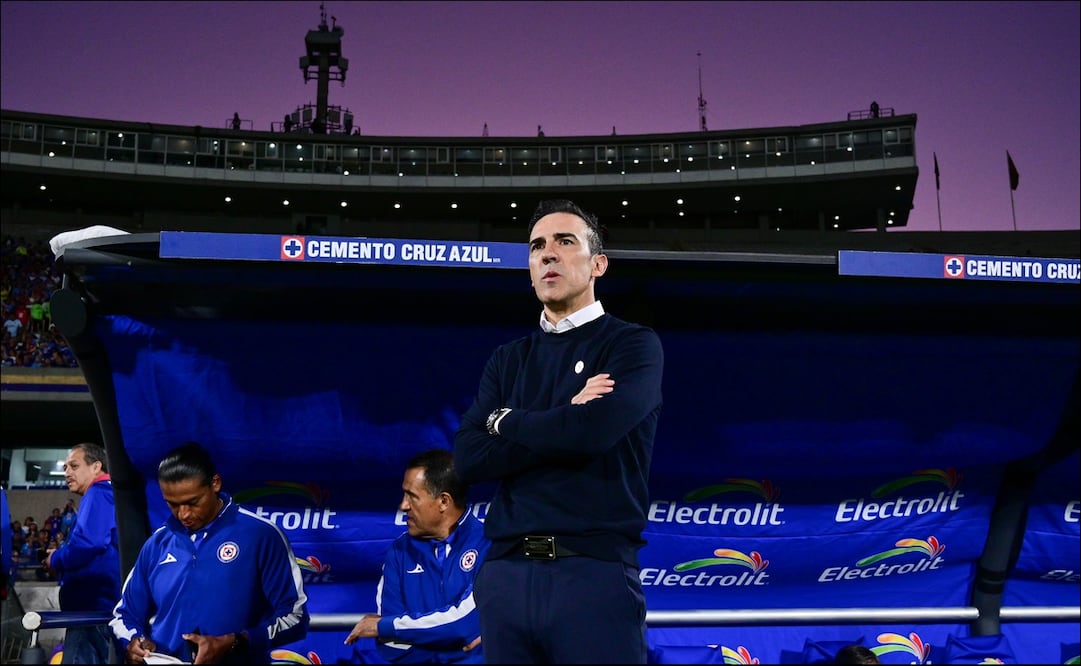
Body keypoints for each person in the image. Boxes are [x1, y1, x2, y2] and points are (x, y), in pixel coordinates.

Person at [452, 198, 664, 663]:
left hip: (592, 574)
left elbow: (591, 435)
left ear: (598, 264)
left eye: (565, 242)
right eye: (537, 246)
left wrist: (506, 421)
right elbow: (468, 459)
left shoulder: (632, 345)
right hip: (505, 575)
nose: (548, 253)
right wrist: (565, 415)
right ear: (529, 269)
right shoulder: (507, 359)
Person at [109, 441, 309, 664]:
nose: (183, 514)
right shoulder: (157, 544)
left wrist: (236, 641)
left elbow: (295, 617)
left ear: (215, 483)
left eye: (192, 502)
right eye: (173, 505)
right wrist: (133, 642)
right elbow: (124, 614)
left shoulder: (261, 535)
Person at [344, 449, 488, 663]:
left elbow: (465, 623)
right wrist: (452, 649)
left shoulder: (489, 543)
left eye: (412, 496)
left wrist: (386, 626)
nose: (403, 506)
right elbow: (392, 645)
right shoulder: (400, 551)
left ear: (443, 502)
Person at [45, 442, 121, 664]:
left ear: (96, 466)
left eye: (74, 466)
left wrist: (55, 559)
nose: (67, 472)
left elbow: (88, 543)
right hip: (99, 609)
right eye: (65, 467)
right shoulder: (110, 493)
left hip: (90, 612)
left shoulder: (99, 491)